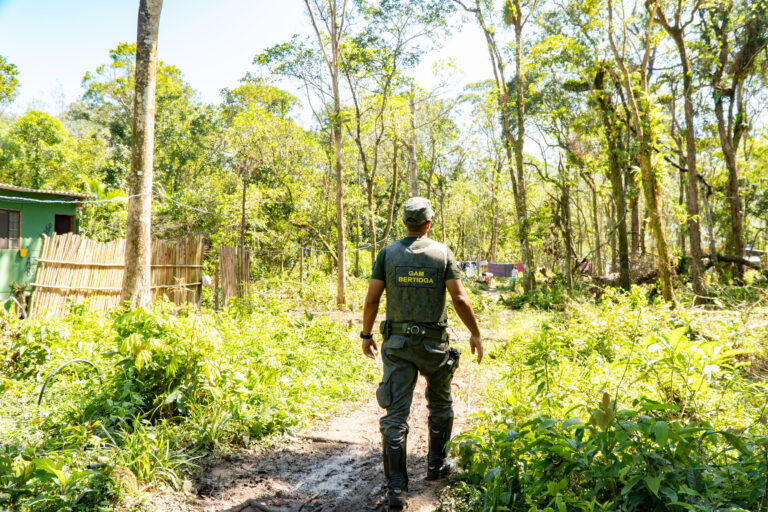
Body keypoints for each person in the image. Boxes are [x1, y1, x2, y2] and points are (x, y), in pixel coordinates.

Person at [360, 197, 484, 510]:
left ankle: (396, 490)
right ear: (428, 223)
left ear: (405, 223)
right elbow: (459, 298)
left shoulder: (387, 253)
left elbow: (372, 300)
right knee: (440, 405)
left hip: (398, 347)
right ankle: (436, 466)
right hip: (434, 347)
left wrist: (366, 335)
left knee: (395, 416)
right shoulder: (442, 253)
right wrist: (475, 333)